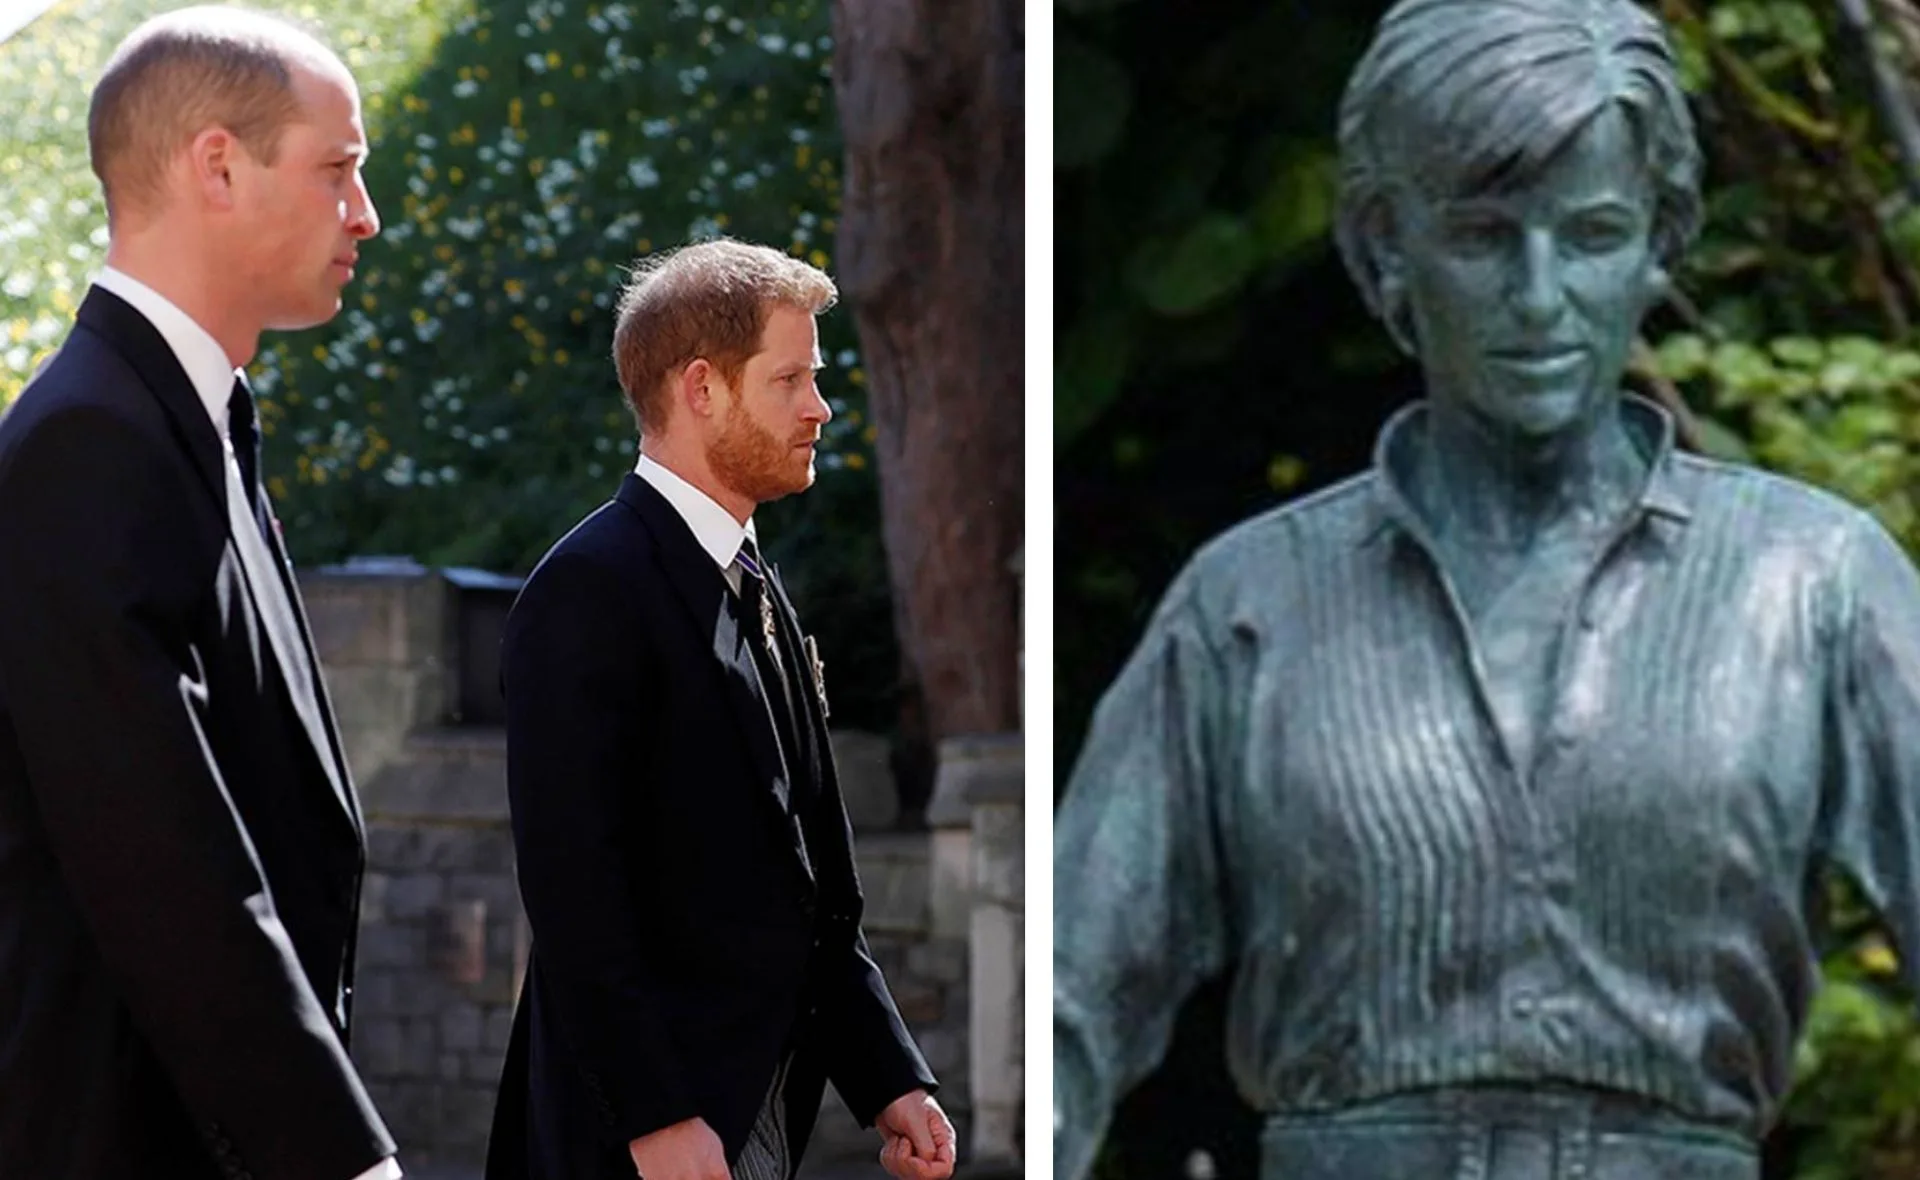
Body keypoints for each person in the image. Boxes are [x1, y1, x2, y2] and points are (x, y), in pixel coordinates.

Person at [1054, 1, 1920, 1179]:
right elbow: (1065, 1000)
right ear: (1381, 249)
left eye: (1596, 233)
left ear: (1663, 241)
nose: (1539, 291)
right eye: (1480, 233)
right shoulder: (1248, 604)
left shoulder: (1817, 582)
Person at [0, 7, 398, 1180]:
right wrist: (339, 1158)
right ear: (217, 164)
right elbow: (164, 864)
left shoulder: (186, 424)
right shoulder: (88, 443)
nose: (365, 215)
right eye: (339, 170)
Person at [485, 238, 957, 1180]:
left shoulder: (757, 584)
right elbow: (576, 893)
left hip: (758, 1108)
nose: (821, 408)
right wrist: (656, 1116)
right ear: (702, 388)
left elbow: (810, 880)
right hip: (645, 1140)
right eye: (791, 379)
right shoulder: (588, 590)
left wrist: (888, 1076)